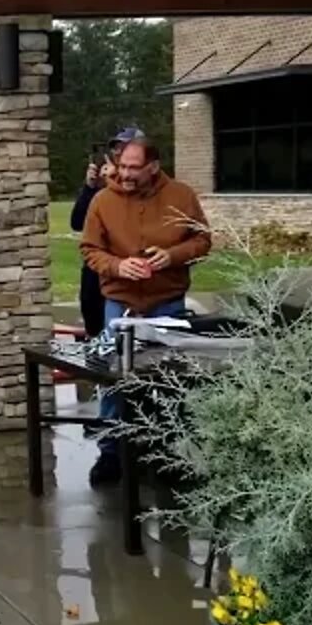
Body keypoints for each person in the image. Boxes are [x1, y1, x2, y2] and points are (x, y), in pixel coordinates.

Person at [79, 137, 213, 485]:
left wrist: (172, 256)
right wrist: (118, 266)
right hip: (119, 305)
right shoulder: (102, 201)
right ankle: (111, 452)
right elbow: (90, 249)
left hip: (167, 302)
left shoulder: (182, 196)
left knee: (169, 380)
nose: (125, 174)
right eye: (121, 166)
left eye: (133, 168)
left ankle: (167, 451)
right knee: (114, 380)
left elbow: (202, 242)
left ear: (153, 166)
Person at [69, 127, 145, 338]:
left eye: (124, 148)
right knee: (94, 323)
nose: (119, 154)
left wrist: (116, 183)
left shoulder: (144, 181)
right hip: (97, 270)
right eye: (116, 149)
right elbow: (77, 222)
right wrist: (90, 187)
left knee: (125, 336)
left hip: (127, 272)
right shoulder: (103, 189)